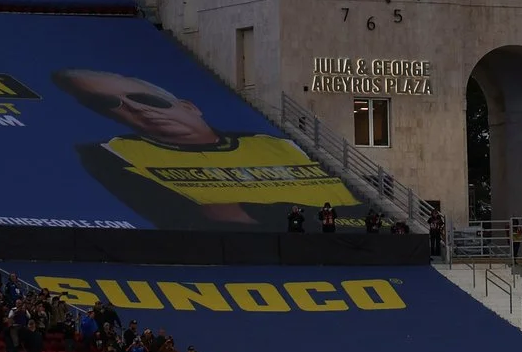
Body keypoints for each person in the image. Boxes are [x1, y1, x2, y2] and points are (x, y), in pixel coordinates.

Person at [50, 67, 359, 231]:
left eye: (146, 99)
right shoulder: (111, 153)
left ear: (188, 106)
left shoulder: (276, 143)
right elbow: (215, 219)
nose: (136, 109)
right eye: (111, 104)